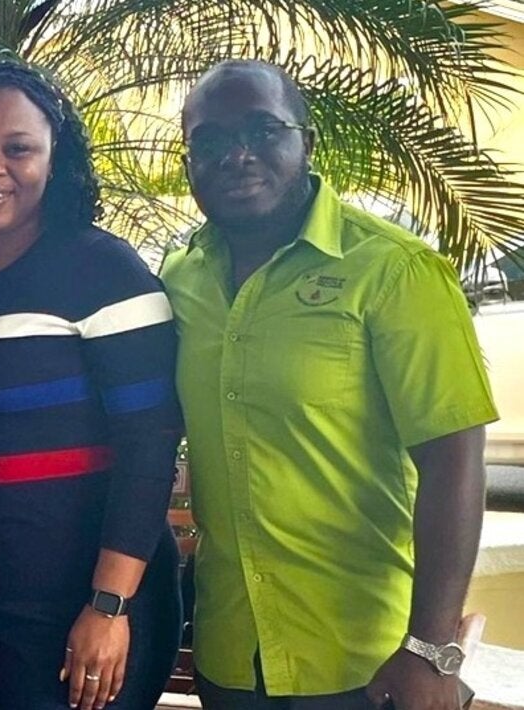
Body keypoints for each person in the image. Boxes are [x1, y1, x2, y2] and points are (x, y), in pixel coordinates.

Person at [162, 59, 497, 710]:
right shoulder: (180, 279)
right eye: (211, 140)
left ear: (307, 142)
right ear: (189, 161)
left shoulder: (393, 271)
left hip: (364, 661)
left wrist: (432, 649)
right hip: (230, 652)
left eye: (263, 130)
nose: (237, 155)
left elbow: (455, 458)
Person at [0, 60, 183, 710]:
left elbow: (149, 445)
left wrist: (109, 605)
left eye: (17, 148)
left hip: (83, 613)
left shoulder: (104, 269)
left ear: (56, 160)